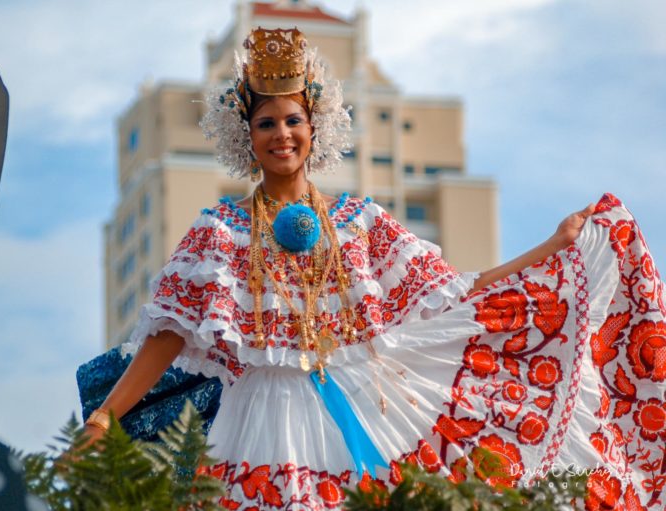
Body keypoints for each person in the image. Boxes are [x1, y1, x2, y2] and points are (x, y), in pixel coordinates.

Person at [82, 28, 665, 510]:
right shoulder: (219, 230)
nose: (281, 135)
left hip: (365, 401)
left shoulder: (361, 221)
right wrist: (105, 419)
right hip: (259, 414)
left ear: (314, 127)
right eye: (266, 124)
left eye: (292, 121)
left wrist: (551, 245)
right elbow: (167, 337)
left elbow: (454, 294)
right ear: (247, 136)